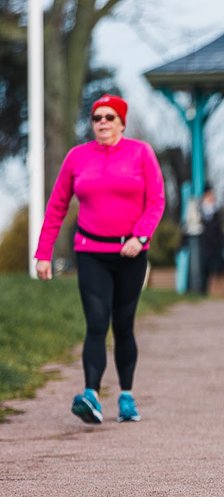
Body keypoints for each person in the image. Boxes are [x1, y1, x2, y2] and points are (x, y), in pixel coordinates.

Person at [34, 93, 165, 425]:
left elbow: (157, 201)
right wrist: (43, 253)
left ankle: (126, 397)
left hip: (131, 253)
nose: (102, 123)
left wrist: (141, 237)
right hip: (91, 251)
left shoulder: (140, 153)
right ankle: (91, 395)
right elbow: (57, 205)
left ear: (122, 121)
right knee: (96, 322)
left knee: (123, 325)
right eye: (97, 118)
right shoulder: (78, 157)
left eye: (109, 117)